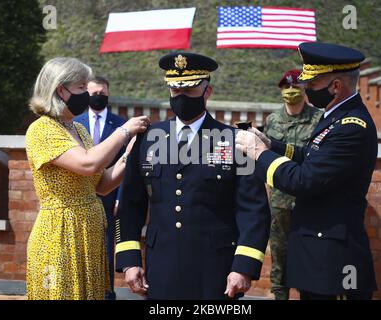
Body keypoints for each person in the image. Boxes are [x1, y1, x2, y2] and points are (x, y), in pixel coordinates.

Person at [115, 52, 270, 300]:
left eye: (189, 90)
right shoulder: (148, 138)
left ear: (207, 91)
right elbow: (130, 205)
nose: (181, 97)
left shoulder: (234, 140)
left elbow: (253, 210)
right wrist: (129, 260)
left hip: (215, 270)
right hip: (161, 267)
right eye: (175, 90)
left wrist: (243, 267)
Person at [236, 42, 378, 300]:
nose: (306, 90)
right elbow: (311, 156)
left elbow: (304, 180)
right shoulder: (334, 115)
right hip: (317, 255)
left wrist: (259, 153)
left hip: (333, 263)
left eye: (311, 85)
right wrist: (272, 145)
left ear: (335, 86)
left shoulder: (351, 127)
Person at [25, 57, 150, 300]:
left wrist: (129, 154)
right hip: (60, 235)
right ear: (61, 90)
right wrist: (124, 131)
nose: (87, 93)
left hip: (88, 234)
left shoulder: (77, 129)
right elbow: (87, 163)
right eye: (82, 87)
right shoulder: (42, 129)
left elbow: (102, 184)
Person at [264, 69, 322, 300]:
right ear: (281, 91)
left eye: (296, 87)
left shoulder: (319, 119)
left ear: (304, 89)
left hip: (310, 200)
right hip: (279, 200)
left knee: (311, 254)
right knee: (280, 257)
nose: (291, 91)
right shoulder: (272, 120)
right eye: (287, 88)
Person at [73, 76, 126, 300]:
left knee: (106, 248)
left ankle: (106, 294)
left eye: (103, 93)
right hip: (81, 194)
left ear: (108, 95)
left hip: (110, 196)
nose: (98, 97)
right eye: (94, 93)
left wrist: (119, 198)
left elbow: (126, 163)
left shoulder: (121, 124)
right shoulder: (76, 123)